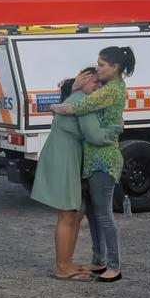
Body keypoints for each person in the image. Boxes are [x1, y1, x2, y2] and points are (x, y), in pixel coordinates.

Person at [51, 46, 135, 283]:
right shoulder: (112, 88)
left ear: (115, 67)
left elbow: (79, 108)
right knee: (95, 214)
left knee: (104, 215)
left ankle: (114, 266)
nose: (98, 71)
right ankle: (99, 260)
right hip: (95, 161)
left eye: (101, 65)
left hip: (103, 160)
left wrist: (56, 107)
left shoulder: (112, 90)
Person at [31, 67, 122, 281]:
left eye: (101, 83)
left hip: (66, 155)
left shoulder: (77, 97)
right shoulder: (83, 101)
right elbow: (95, 136)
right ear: (83, 81)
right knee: (67, 214)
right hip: (64, 157)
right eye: (94, 82)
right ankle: (62, 267)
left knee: (74, 214)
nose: (99, 86)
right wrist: (116, 128)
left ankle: (67, 263)